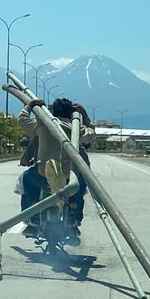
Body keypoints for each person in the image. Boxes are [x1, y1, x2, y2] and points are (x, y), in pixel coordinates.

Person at [17, 98, 95, 231]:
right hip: (69, 178)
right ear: (71, 113)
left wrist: (30, 106)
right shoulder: (76, 128)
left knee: (26, 179)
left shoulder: (43, 125)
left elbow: (22, 120)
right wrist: (84, 114)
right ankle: (73, 216)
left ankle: (32, 215)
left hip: (43, 175)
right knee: (81, 184)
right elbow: (91, 135)